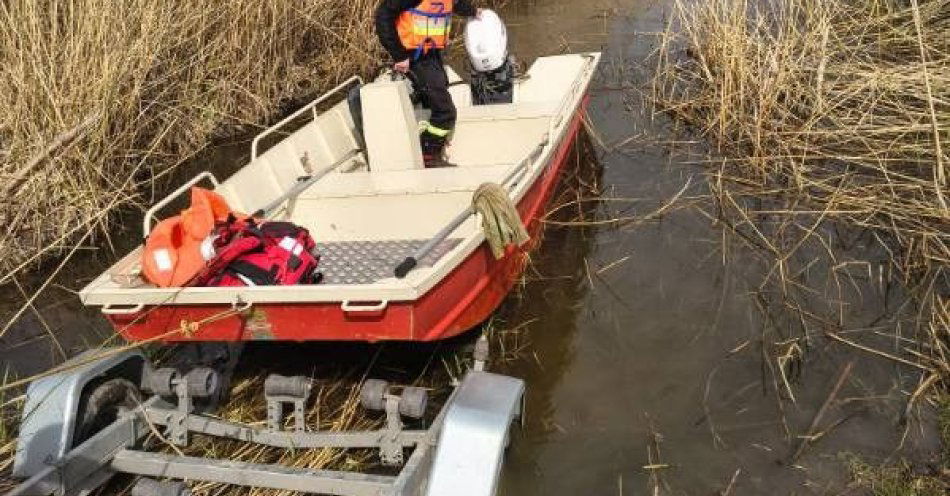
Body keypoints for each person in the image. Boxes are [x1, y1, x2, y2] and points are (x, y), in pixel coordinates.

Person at [375, 0, 480, 168]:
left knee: (437, 98)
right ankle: (428, 154)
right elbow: (383, 17)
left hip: (431, 56)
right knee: (445, 112)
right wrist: (399, 55)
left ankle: (428, 142)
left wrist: (474, 12)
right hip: (415, 58)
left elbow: (455, 4)